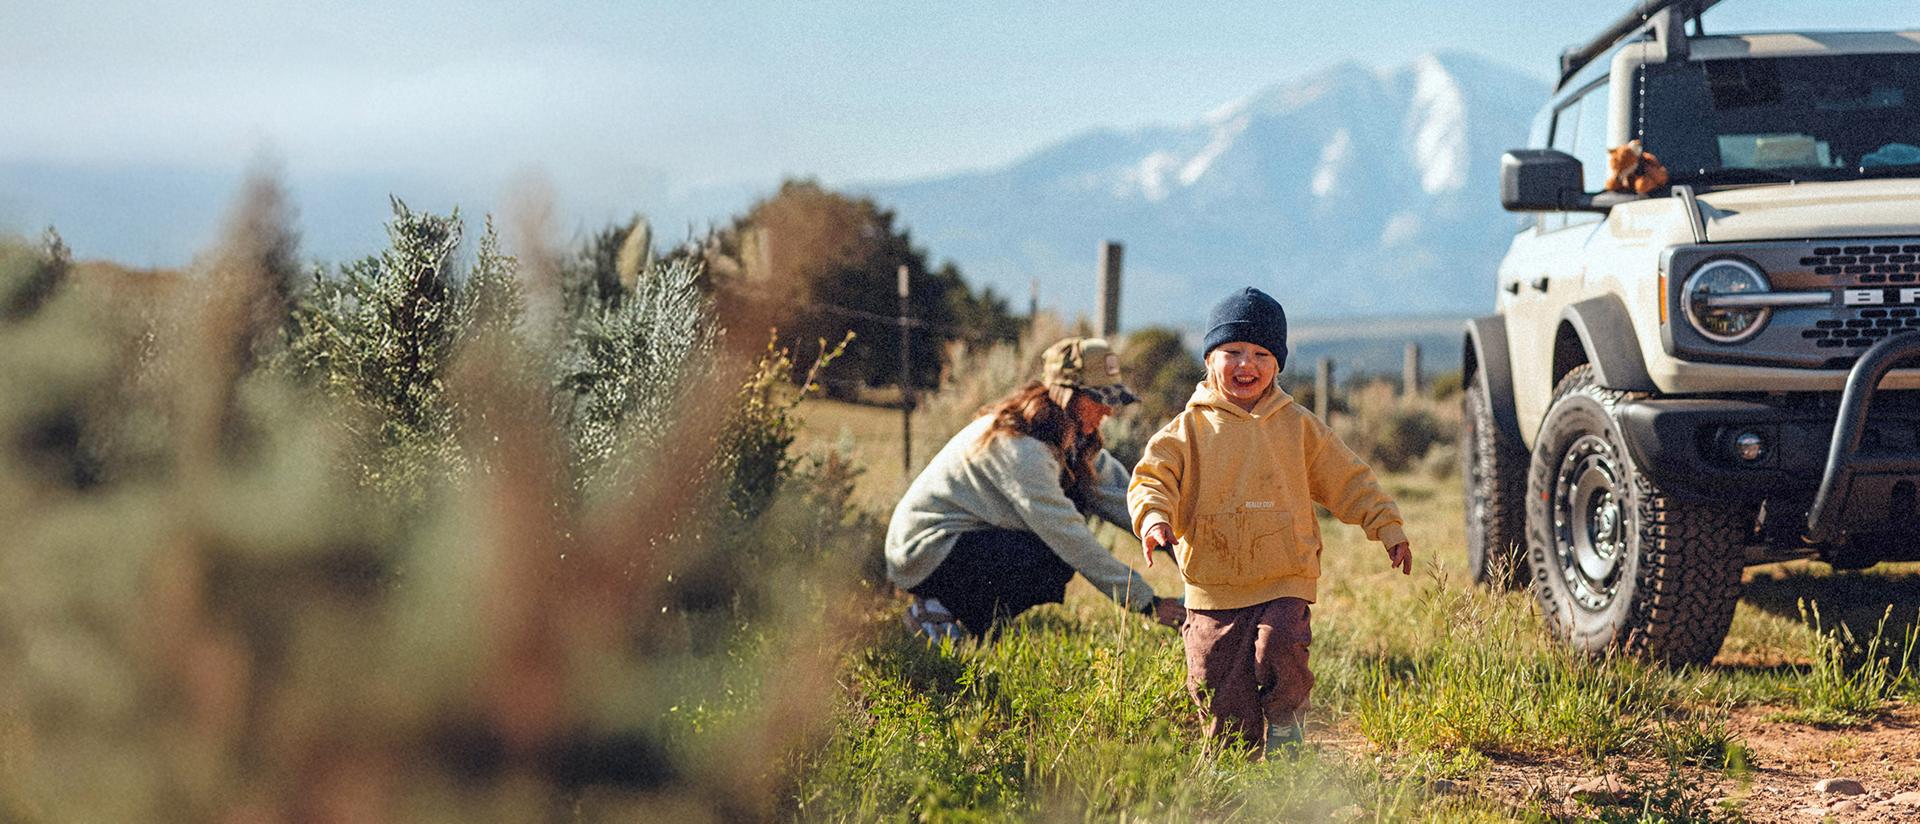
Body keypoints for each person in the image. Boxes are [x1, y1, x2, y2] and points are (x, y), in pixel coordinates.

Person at [1128, 287, 1413, 757]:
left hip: (1286, 574)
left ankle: (1286, 730)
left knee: (1280, 651)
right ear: (1209, 359)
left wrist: (1386, 524)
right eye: (1232, 352)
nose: (1247, 364)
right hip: (1213, 583)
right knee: (1218, 683)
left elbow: (1348, 478)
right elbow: (1151, 480)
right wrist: (1155, 517)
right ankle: (1235, 767)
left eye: (1261, 354)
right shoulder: (1187, 431)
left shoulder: (1298, 426)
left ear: (1277, 364)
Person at [885, 337, 1186, 641]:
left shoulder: (1072, 440)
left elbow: (1124, 499)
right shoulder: (1020, 445)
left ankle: (979, 618)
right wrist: (1148, 603)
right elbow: (1068, 536)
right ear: (1066, 395)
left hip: (966, 541)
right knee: (1050, 558)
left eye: (1112, 399)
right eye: (1098, 398)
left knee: (1054, 546)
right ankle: (937, 608)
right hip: (923, 553)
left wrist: (1181, 544)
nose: (1108, 411)